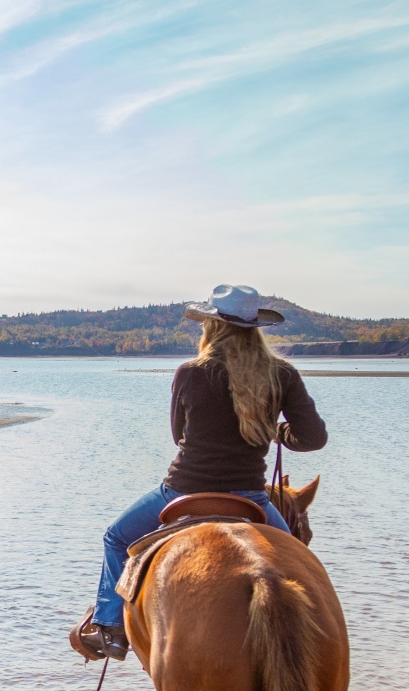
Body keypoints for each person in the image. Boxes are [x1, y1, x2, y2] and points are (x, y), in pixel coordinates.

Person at [75, 284, 328, 662]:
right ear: (256, 328)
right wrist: (275, 431)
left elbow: (180, 436)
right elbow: (313, 438)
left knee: (116, 537)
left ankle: (111, 630)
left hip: (181, 491)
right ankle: (312, 642)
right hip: (251, 496)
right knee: (295, 560)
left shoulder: (191, 372)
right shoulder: (283, 374)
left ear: (212, 326)